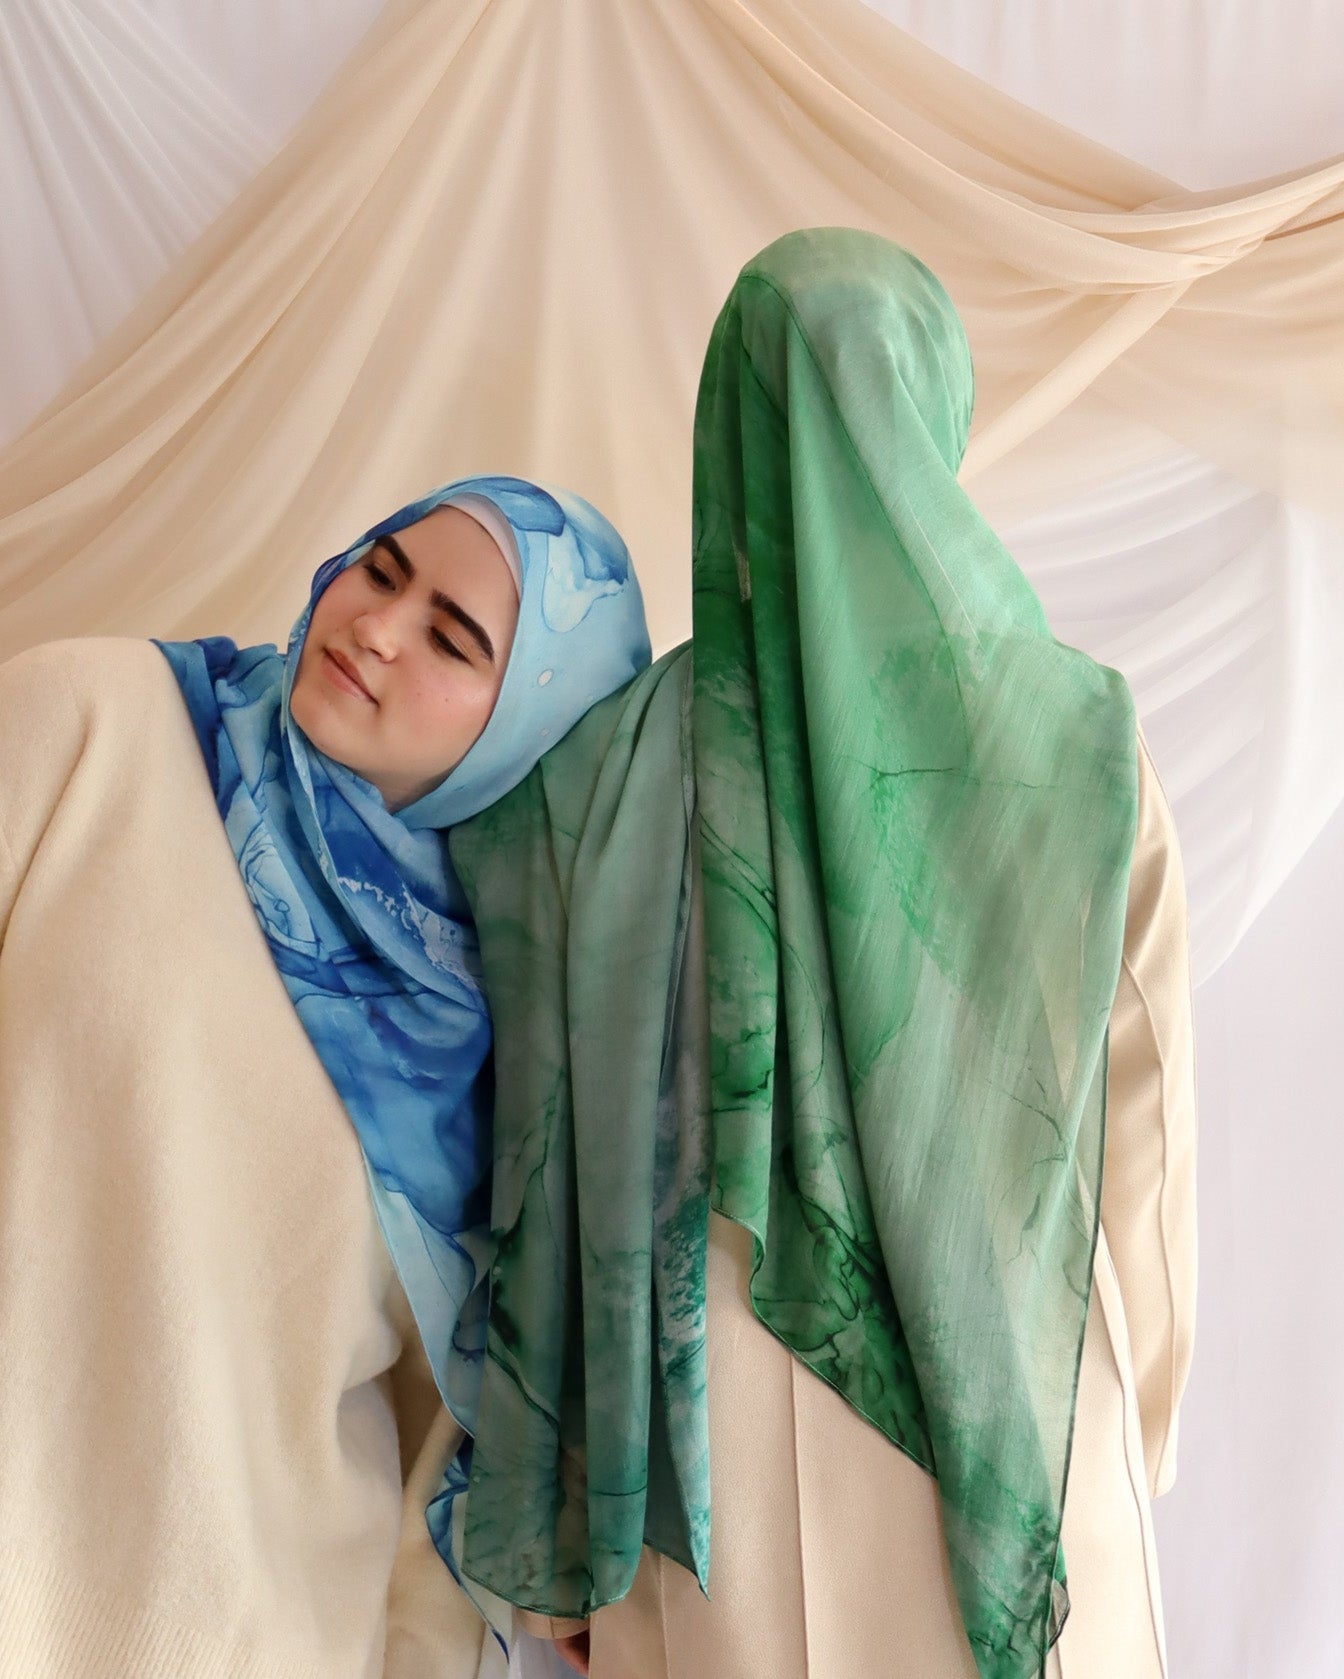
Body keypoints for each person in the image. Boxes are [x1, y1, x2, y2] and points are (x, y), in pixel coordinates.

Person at [443, 231, 1198, 1679]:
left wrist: (565, 1510)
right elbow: (1142, 1114)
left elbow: (533, 1143)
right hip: (1009, 1380)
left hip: (703, 1424)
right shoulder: (1073, 739)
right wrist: (1131, 1416)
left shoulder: (601, 764)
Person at [0, 475, 651, 1677]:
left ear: (535, 719)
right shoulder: (94, 720)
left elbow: (433, 1476)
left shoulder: (490, 1049)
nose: (378, 627)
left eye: (453, 639)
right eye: (381, 568)